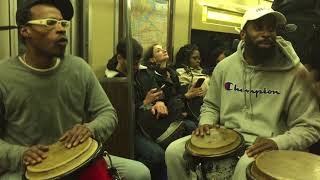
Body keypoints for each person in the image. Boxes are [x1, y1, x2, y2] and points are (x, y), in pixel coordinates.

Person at [165, 6, 320, 180]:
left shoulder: (294, 72)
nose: (266, 33)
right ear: (243, 34)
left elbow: (310, 127)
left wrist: (278, 142)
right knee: (173, 152)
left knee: (244, 168)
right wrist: (206, 123)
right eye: (259, 27)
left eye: (271, 28)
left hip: (266, 143)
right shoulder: (225, 67)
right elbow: (211, 105)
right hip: (227, 137)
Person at [0, 1, 151, 179]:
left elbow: (108, 113)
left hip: (77, 158)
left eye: (63, 23)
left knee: (139, 173)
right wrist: (20, 154)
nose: (61, 29)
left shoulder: (79, 67)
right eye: (50, 23)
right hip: (28, 166)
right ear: (25, 31)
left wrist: (89, 129)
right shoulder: (4, 74)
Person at [105, 38, 167, 180]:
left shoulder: (140, 73)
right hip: (128, 130)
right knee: (157, 156)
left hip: (146, 122)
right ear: (120, 58)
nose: (137, 66)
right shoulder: (113, 82)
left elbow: (156, 91)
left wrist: (158, 101)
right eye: (133, 63)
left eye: (138, 63)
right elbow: (120, 116)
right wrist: (145, 102)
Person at [175, 44, 209, 120]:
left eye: (199, 58)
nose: (198, 61)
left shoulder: (204, 71)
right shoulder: (180, 72)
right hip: (194, 106)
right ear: (186, 59)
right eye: (194, 58)